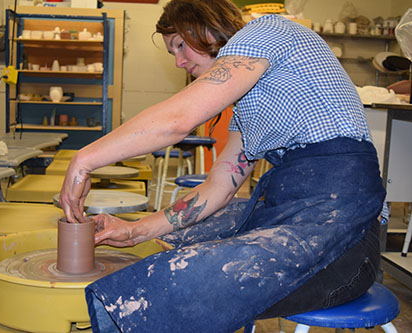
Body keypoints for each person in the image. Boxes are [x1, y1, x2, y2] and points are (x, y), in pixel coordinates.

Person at [59, 0, 386, 331]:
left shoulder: (268, 31)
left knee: (175, 278)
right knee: (170, 244)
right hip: (294, 213)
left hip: (345, 242)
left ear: (204, 25)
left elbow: (176, 121)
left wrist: (83, 159)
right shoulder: (247, 110)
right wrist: (134, 230)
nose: (179, 62)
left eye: (180, 46)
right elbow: (216, 188)